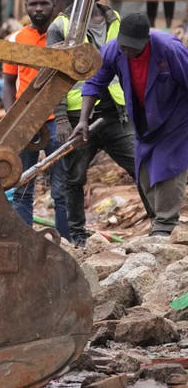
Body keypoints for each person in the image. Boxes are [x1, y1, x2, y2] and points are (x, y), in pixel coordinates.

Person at [47, 0, 137, 246]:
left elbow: (128, 64)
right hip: (77, 117)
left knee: (141, 166)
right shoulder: (60, 27)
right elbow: (53, 77)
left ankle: (159, 226)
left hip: (116, 113)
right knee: (73, 179)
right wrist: (61, 120)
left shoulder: (115, 18)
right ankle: (77, 237)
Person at [76, 13, 188, 237]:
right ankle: (158, 220)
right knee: (144, 170)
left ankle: (165, 225)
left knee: (168, 167)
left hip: (175, 117)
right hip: (143, 117)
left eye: (133, 49)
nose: (127, 52)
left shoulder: (168, 49)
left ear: (146, 40)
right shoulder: (112, 50)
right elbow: (95, 83)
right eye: (124, 47)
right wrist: (82, 119)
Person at [2, 0, 67, 234]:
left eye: (43, 3)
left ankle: (66, 242)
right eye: (33, 4)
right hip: (25, 121)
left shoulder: (62, 37)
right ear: (26, 7)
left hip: (55, 120)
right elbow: (8, 83)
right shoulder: (17, 39)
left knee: (61, 188)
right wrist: (13, 118)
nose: (38, 9)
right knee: (22, 186)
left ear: (54, 5)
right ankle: (24, 238)